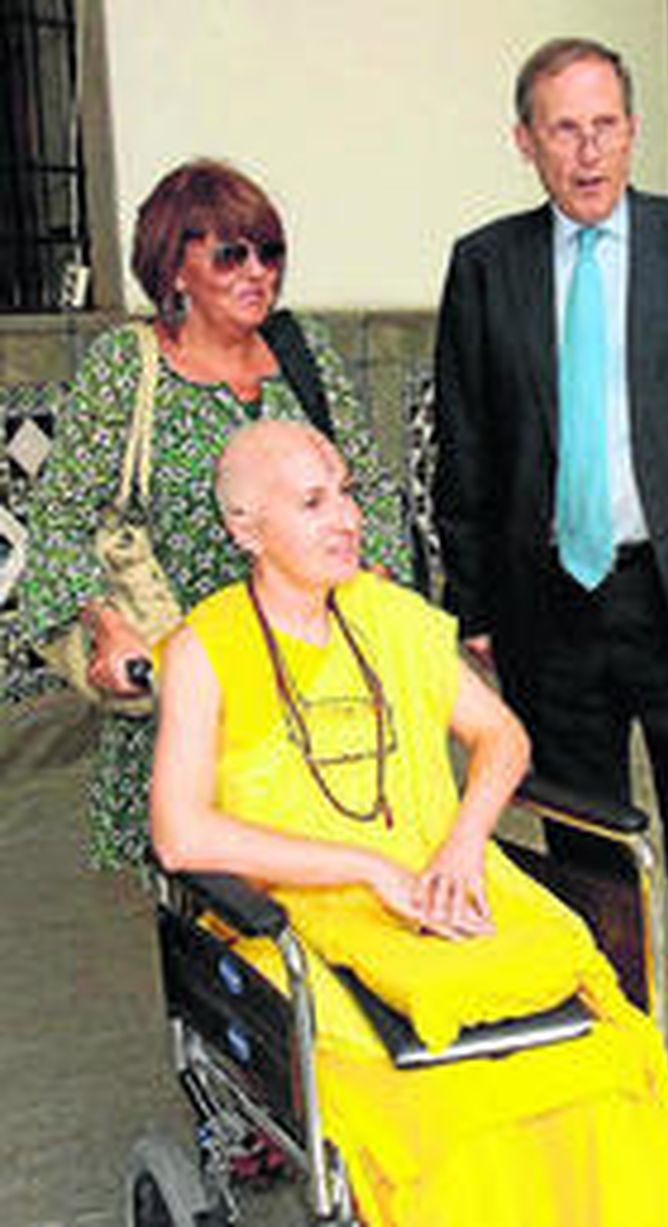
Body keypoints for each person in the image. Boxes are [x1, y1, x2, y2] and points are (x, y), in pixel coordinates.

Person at [150, 420, 668, 1227]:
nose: (348, 518)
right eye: (314, 501)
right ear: (244, 528)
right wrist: (366, 867)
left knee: (613, 1062)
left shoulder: (391, 615)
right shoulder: (202, 650)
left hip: (451, 885)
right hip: (305, 918)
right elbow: (181, 835)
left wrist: (464, 841)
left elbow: (503, 736)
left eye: (348, 492)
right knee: (442, 1118)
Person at [431, 38, 668, 1134]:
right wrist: (468, 608)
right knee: (585, 837)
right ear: (525, 142)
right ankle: (613, 1028)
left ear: (633, 130)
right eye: (562, 127)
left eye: (605, 123)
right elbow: (461, 446)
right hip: (547, 602)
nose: (587, 148)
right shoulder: (485, 264)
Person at [19, 159, 406, 870]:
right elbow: (61, 523)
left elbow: (373, 487)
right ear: (174, 269)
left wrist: (370, 585)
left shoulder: (303, 352)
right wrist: (106, 628)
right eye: (231, 253)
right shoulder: (126, 367)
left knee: (331, 901)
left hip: (314, 698)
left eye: (270, 252)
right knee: (213, 935)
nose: (258, 270)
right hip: (183, 702)